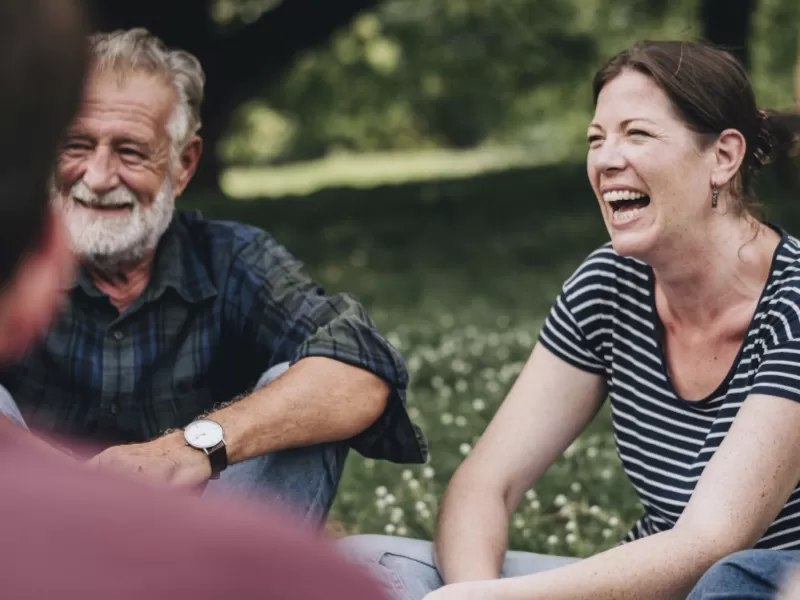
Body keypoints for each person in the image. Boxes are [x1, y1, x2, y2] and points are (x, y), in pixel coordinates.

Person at [340, 40, 800, 600]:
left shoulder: (792, 303)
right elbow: (486, 484)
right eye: (595, 138)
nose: (606, 159)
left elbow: (712, 542)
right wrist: (477, 592)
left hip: (757, 588)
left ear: (723, 157)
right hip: (645, 585)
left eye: (637, 133)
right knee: (360, 564)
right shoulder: (610, 283)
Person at [0, 1, 388, 598]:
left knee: (307, 381)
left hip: (208, 560)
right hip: (36, 556)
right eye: (76, 144)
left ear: (183, 165)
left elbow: (359, 366)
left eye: (129, 151)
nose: (98, 177)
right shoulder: (15, 250)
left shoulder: (231, 257)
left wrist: (188, 449)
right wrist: (85, 494)